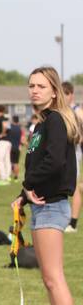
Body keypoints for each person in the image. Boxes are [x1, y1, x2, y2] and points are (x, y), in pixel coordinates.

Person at [12, 66, 82, 305]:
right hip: (42, 206)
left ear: (55, 91)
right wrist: (23, 196)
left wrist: (27, 186)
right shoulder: (41, 125)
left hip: (53, 206)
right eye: (31, 86)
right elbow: (40, 167)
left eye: (41, 86)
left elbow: (54, 164)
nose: (35, 90)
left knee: (54, 277)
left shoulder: (55, 121)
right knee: (48, 278)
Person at [63, 82, 83, 232]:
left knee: (74, 186)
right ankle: (63, 219)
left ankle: (73, 223)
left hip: (73, 152)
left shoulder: (78, 111)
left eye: (66, 94)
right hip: (60, 152)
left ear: (71, 95)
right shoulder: (60, 111)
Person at [0, 104, 11, 184]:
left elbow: (5, 126)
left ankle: (3, 177)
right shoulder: (6, 118)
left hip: (2, 141)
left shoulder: (1, 118)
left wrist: (2, 133)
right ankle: (7, 177)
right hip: (8, 141)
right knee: (6, 160)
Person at [7, 115, 24, 180]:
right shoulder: (20, 129)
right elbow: (22, 139)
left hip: (10, 147)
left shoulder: (10, 128)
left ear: (13, 120)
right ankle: (16, 177)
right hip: (17, 148)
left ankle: (9, 176)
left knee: (10, 162)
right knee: (16, 163)